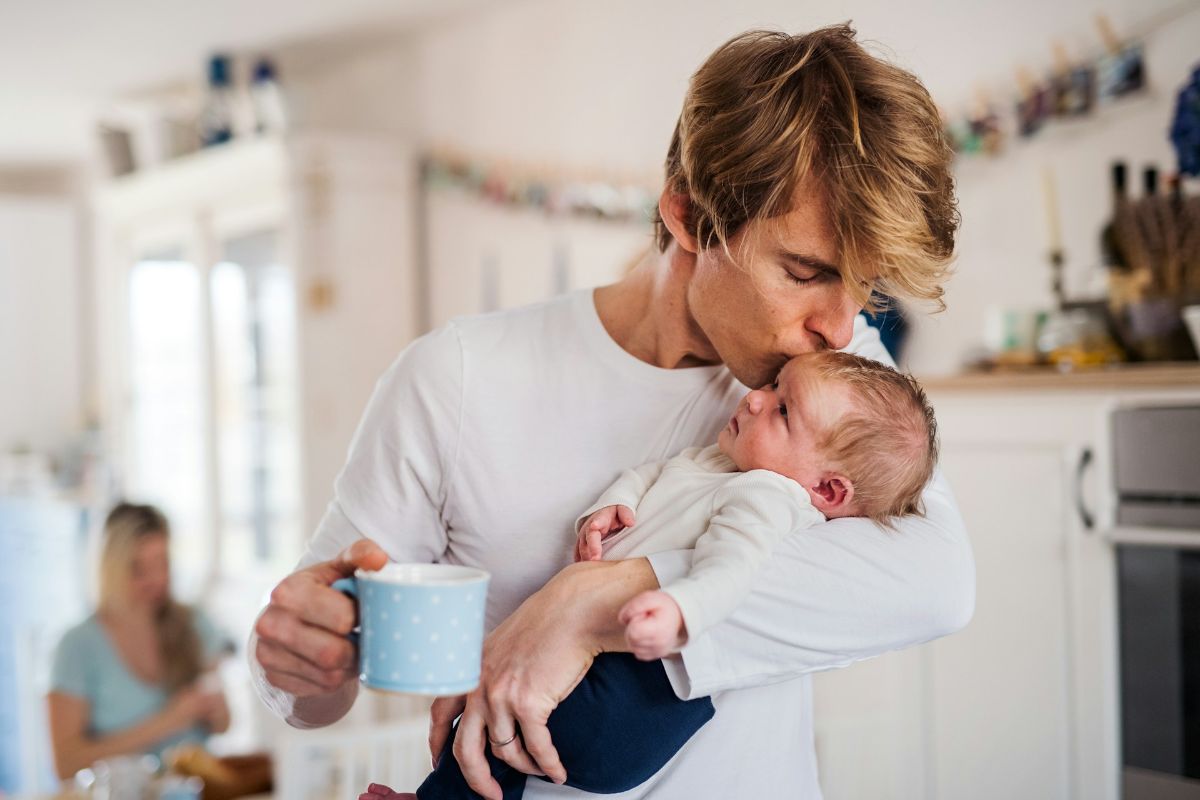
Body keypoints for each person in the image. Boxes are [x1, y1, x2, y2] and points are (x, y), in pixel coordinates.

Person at [252, 24, 974, 800]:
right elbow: (309, 689)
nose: (839, 325)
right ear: (690, 215)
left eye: (863, 286)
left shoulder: (832, 378)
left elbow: (937, 584)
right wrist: (303, 666)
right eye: (804, 272)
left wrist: (590, 598)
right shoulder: (456, 378)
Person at [408, 350, 938, 799]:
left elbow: (733, 567)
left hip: (643, 697)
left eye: (782, 411)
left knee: (514, 715)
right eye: (775, 384)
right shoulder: (718, 460)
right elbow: (654, 473)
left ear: (826, 492)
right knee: (503, 711)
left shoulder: (768, 497)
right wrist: (616, 503)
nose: (755, 397)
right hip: (611, 666)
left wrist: (680, 607)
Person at [46, 502, 230, 780]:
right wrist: (169, 720)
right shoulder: (77, 647)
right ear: (110, 569)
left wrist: (215, 711)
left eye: (162, 564)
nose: (156, 579)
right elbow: (66, 764)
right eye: (138, 569)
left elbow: (223, 724)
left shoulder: (194, 624)